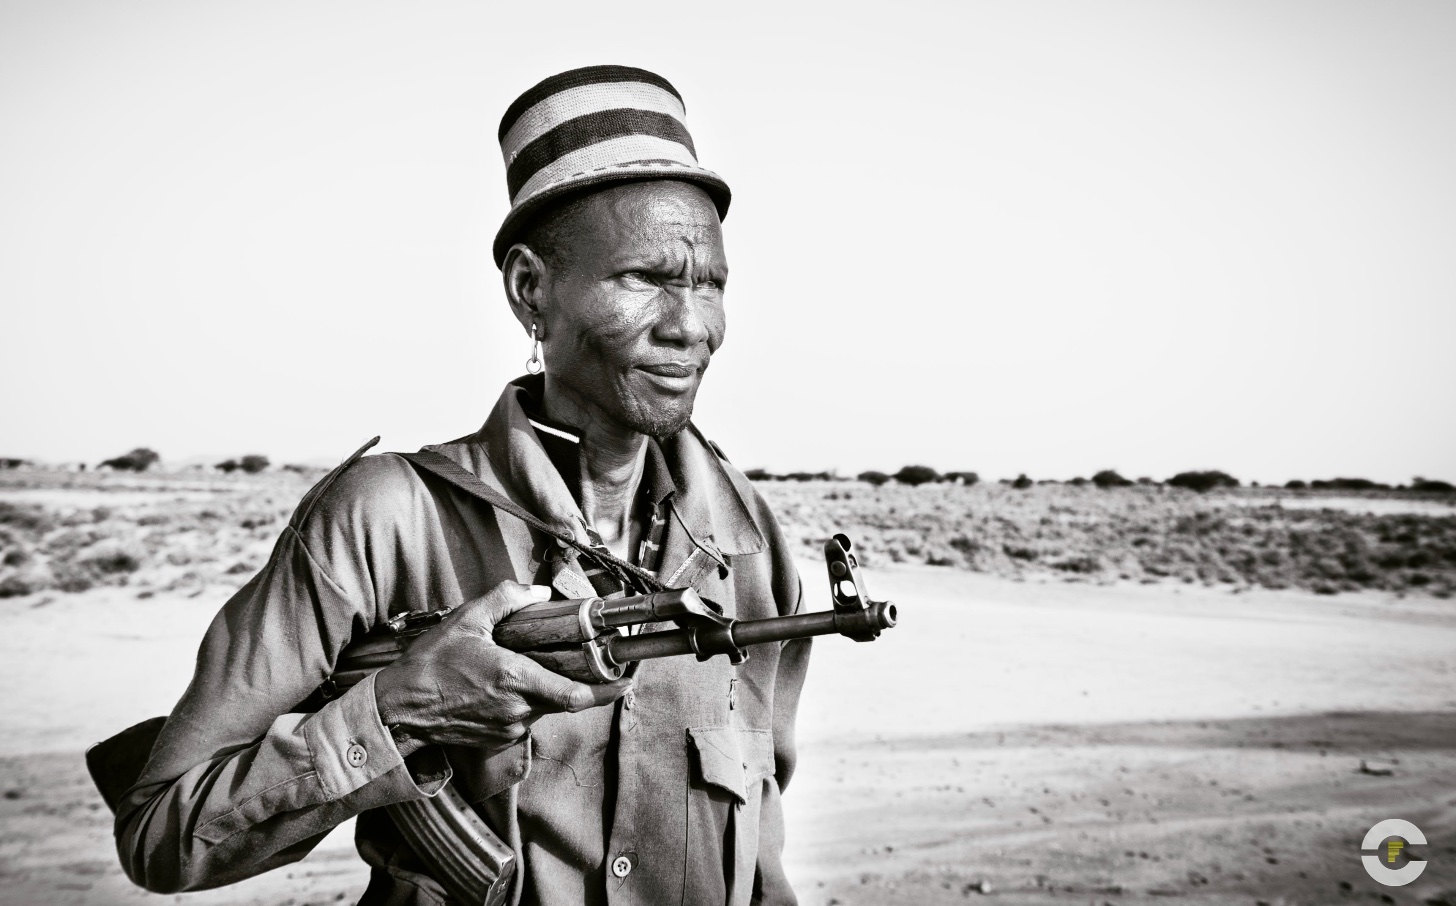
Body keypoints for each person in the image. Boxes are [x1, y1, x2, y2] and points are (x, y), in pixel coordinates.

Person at [113, 65, 811, 906]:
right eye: (646, 278)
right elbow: (162, 838)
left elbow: (762, 832)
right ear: (531, 290)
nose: (691, 325)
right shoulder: (384, 520)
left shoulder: (747, 539)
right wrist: (402, 711)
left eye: (711, 284)